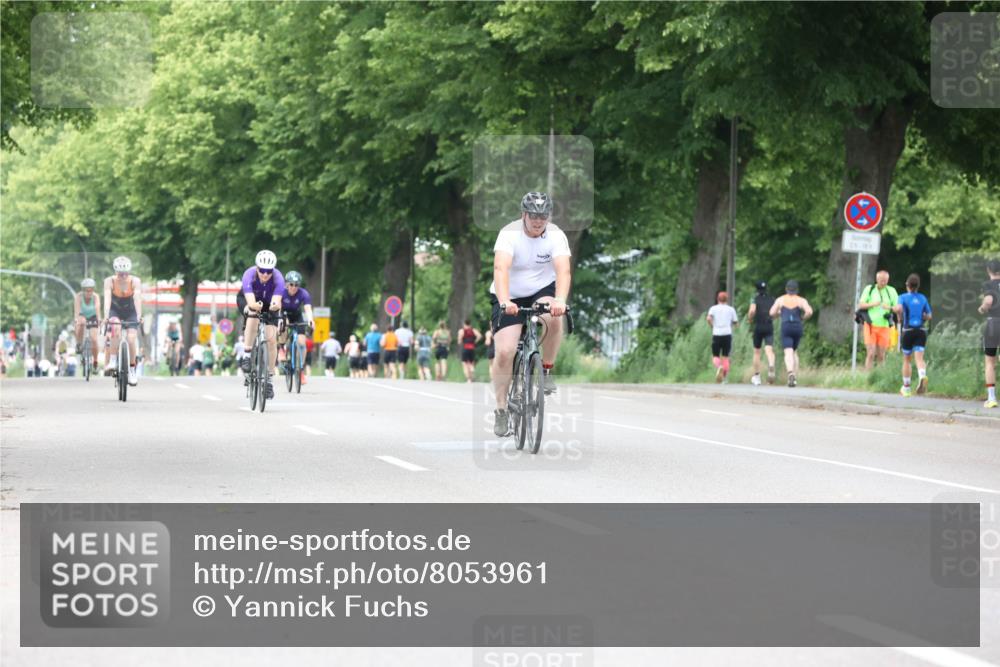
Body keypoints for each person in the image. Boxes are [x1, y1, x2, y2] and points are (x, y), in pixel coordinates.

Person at [490, 191, 571, 436]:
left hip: (541, 289)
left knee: (554, 316)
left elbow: (563, 271)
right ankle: (502, 409)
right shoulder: (509, 234)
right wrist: (505, 300)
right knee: (505, 352)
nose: (538, 220)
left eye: (543, 215)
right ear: (523, 214)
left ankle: (546, 369)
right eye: (533, 215)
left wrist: (560, 300)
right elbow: (500, 268)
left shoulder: (556, 235)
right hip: (509, 294)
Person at [237, 250, 284, 399]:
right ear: (257, 268)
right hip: (249, 300)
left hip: (269, 303)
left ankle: (269, 380)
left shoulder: (278, 278)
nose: (265, 274)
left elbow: (277, 301)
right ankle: (247, 353)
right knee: (252, 315)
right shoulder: (248, 275)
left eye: (268, 271)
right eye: (262, 271)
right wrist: (253, 306)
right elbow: (251, 303)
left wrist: (275, 306)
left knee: (271, 340)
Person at [102, 255, 142, 386]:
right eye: (120, 274)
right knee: (116, 327)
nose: (123, 277)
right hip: (115, 310)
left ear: (129, 272)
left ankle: (132, 370)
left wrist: (139, 316)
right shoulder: (109, 281)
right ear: (115, 272)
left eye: (125, 274)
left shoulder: (135, 281)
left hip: (131, 311)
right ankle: (113, 360)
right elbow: (107, 298)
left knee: (131, 339)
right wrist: (106, 316)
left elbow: (137, 298)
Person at [893, 273, 932, 397]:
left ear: (907, 285)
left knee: (906, 360)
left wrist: (895, 312)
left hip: (908, 331)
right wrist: (924, 316)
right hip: (921, 331)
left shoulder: (902, 297)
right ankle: (922, 375)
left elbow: (899, 308)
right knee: (919, 358)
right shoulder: (923, 298)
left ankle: (906, 387)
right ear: (918, 286)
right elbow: (929, 316)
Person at [769, 280, 813, 387]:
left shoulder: (781, 299)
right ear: (797, 290)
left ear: (786, 289)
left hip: (786, 326)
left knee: (788, 352)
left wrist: (780, 313)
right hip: (797, 326)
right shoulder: (801, 300)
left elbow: (771, 312)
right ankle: (795, 377)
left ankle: (790, 374)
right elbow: (809, 312)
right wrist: (803, 317)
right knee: (794, 351)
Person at [280, 270, 315, 386]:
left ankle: (300, 369)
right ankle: (282, 348)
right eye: (291, 284)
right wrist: (280, 318)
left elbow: (308, 309)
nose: (294, 287)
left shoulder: (303, 293)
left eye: (296, 285)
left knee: (301, 343)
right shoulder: (281, 292)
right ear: (286, 284)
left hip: (297, 316)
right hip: (284, 314)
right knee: (283, 324)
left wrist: (311, 320)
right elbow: (277, 307)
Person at [859, 270, 899, 371]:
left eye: (885, 280)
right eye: (881, 280)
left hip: (885, 326)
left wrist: (889, 307)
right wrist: (873, 304)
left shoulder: (891, 291)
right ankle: (867, 377)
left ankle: (880, 378)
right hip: (870, 325)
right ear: (877, 279)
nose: (883, 282)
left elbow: (897, 308)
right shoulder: (869, 289)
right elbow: (861, 305)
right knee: (871, 353)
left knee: (881, 355)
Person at [977, 260, 1000, 408]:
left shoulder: (988, 285)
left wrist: (982, 309)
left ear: (988, 271)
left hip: (994, 324)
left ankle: (991, 398)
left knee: (990, 362)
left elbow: (988, 301)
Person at [746, 280, 776, 385]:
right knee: (769, 349)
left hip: (758, 326)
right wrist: (772, 317)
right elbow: (776, 312)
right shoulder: (772, 299)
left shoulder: (754, 299)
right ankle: (771, 365)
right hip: (769, 325)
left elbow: (752, 311)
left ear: (757, 289)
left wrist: (749, 319)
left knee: (757, 352)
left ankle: (757, 376)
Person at [707, 292, 738, 383]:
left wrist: (712, 325)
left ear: (718, 299)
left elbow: (708, 318)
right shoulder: (731, 309)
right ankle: (724, 378)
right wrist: (733, 326)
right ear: (726, 299)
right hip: (727, 334)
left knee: (715, 356)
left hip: (716, 333)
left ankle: (719, 366)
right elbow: (735, 322)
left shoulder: (713, 308)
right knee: (725, 356)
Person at [73, 278, 101, 374]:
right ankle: (79, 344)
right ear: (83, 290)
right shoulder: (79, 297)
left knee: (94, 339)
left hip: (93, 317)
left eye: (90, 290)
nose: (88, 292)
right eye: (86, 290)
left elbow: (97, 308)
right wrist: (76, 320)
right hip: (82, 316)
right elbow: (77, 311)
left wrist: (99, 319)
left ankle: (95, 362)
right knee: (80, 323)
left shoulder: (96, 297)